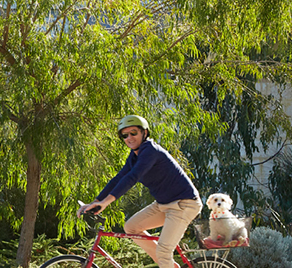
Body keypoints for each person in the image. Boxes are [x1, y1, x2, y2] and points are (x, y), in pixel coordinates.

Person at [77, 115, 202, 268]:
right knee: (131, 228)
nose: (129, 137)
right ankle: (168, 265)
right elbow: (119, 178)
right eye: (125, 135)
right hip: (163, 204)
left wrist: (106, 202)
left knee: (164, 251)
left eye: (133, 132)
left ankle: (165, 261)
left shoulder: (150, 151)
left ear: (144, 133)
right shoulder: (135, 155)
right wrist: (96, 201)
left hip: (184, 204)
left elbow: (132, 177)